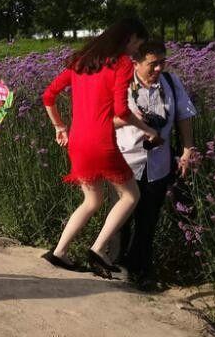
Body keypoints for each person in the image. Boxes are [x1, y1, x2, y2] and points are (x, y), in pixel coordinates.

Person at [41, 18, 162, 278]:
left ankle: (59, 252)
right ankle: (97, 249)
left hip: (77, 141)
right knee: (131, 196)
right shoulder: (121, 64)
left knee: (92, 200)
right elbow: (121, 111)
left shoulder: (80, 62)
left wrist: (59, 126)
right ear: (130, 38)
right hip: (101, 142)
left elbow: (48, 96)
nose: (136, 51)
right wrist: (149, 130)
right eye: (138, 44)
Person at [115, 40, 197, 290]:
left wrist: (187, 149)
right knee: (121, 221)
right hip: (125, 162)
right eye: (153, 64)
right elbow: (104, 119)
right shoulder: (121, 84)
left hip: (159, 165)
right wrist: (131, 120)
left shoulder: (171, 82)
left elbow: (184, 116)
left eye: (163, 62)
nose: (159, 68)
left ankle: (141, 270)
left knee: (148, 221)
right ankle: (116, 266)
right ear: (136, 63)